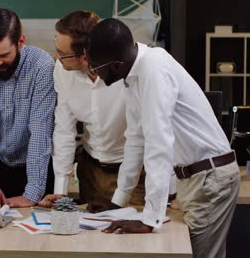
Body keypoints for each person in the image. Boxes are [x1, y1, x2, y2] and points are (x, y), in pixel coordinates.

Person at [84, 18, 240, 258]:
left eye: (96, 67)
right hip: (195, 179)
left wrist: (150, 218)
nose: (94, 73)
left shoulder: (153, 69)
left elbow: (159, 144)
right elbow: (135, 138)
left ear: (116, 64)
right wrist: (119, 200)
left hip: (209, 179)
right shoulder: (134, 75)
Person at [38, 11, 146, 208]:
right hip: (91, 173)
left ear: (86, 56)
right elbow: (64, 131)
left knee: (132, 235)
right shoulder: (62, 71)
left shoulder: (126, 71)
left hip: (134, 174)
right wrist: (60, 191)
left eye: (62, 54)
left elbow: (156, 131)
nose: (56, 57)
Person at [0, 8, 56, 207]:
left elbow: (40, 132)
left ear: (21, 42)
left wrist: (32, 193)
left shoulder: (42, 66)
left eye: (4, 55)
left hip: (37, 170)